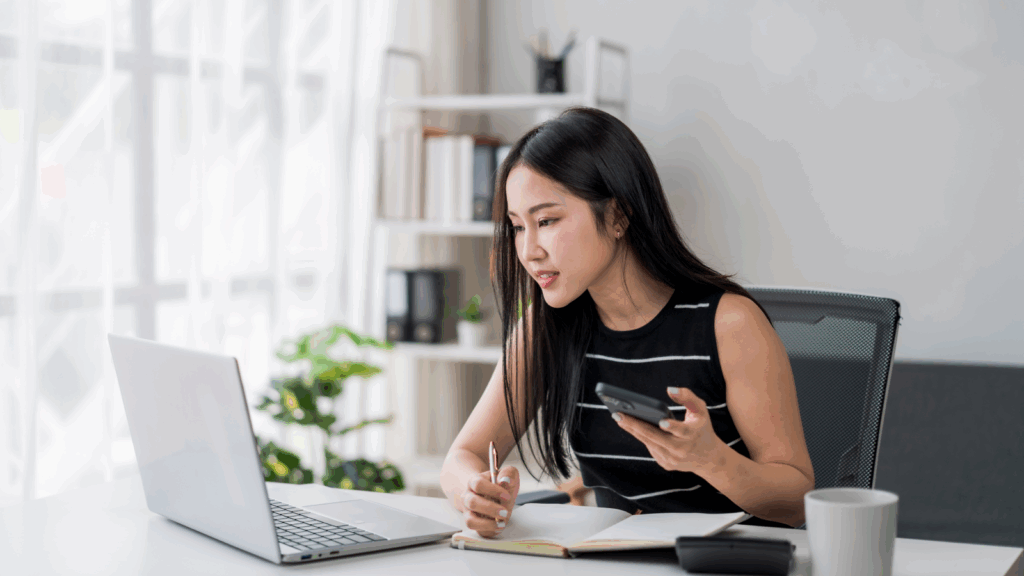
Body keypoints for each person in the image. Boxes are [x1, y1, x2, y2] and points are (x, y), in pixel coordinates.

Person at [439, 106, 814, 538]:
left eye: (546, 221)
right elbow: (461, 456)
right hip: (618, 561)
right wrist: (474, 492)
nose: (529, 250)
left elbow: (796, 501)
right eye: (518, 227)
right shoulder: (546, 326)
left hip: (729, 562)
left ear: (617, 216)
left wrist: (712, 460)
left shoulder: (729, 323)